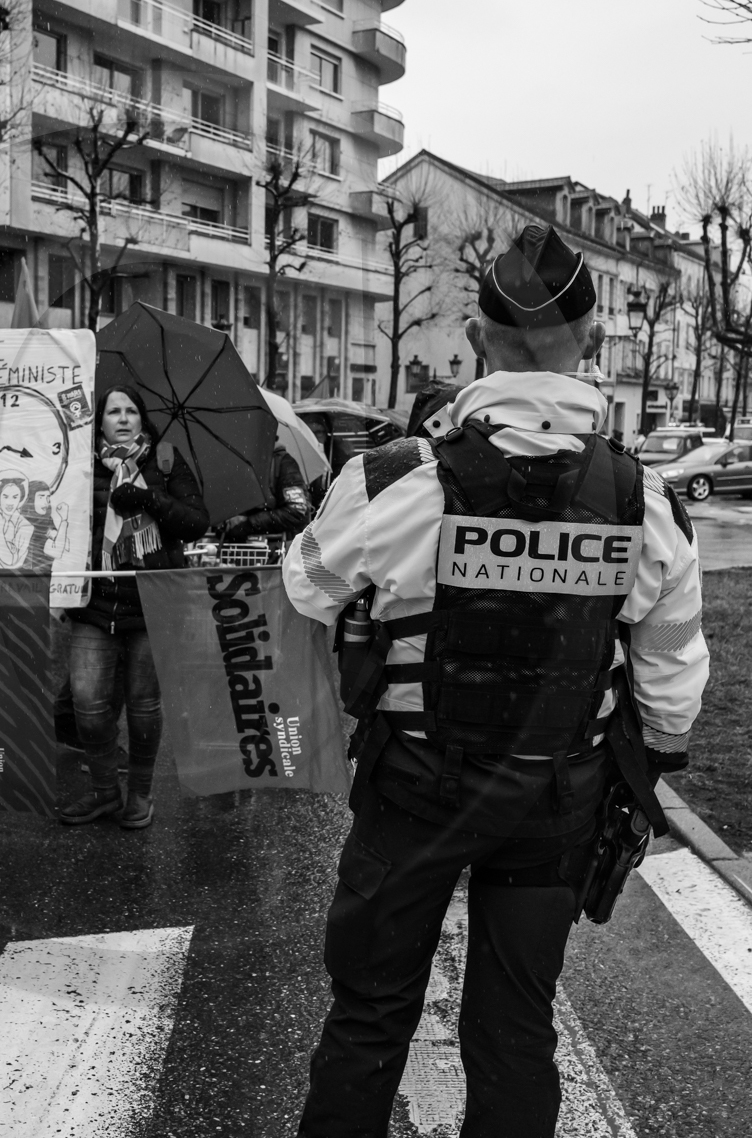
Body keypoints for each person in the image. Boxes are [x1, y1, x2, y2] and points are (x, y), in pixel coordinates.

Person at [283, 224, 709, 1137]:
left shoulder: (393, 478)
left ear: (476, 342)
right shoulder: (645, 500)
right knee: (517, 1031)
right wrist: (659, 753)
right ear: (592, 347)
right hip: (559, 793)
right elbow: (671, 659)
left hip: (416, 788)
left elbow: (305, 590)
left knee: (369, 1017)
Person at [60, 385, 209, 829]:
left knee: (144, 707)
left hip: (153, 607)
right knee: (87, 706)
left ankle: (139, 796)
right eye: (112, 411)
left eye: (130, 411)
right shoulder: (80, 467)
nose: (122, 418)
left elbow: (196, 523)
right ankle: (105, 792)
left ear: (142, 419)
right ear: (99, 422)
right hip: (93, 605)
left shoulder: (165, 460)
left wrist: (147, 498)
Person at [218, 442, 310, 546]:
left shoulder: (284, 464)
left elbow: (297, 511)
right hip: (237, 550)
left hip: (279, 550)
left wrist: (249, 523)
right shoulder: (233, 460)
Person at [26, 480, 70, 571]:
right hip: (27, 575)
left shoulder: (46, 520)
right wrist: (64, 520)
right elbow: (57, 551)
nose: (46, 502)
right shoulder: (24, 520)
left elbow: (65, 545)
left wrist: (57, 533)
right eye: (41, 497)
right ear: (30, 499)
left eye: (48, 497)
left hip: (43, 576)